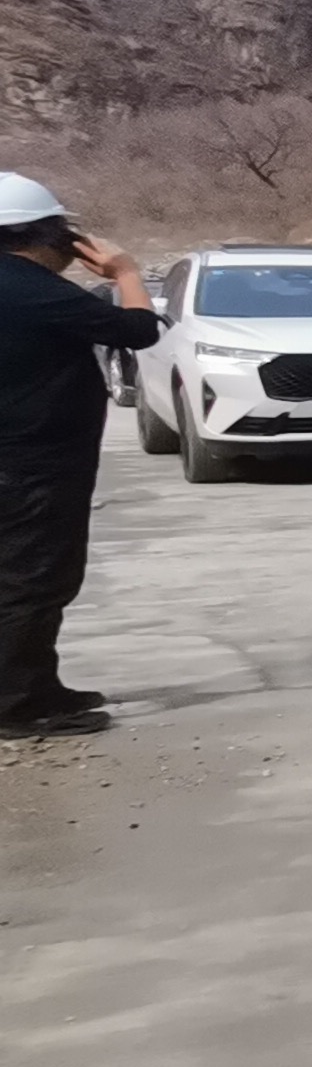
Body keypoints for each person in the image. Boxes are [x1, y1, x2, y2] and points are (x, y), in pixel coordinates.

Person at [0, 174, 161, 740]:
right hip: (33, 462)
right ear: (47, 235)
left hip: (20, 456)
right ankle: (19, 706)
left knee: (20, 578)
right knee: (34, 579)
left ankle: (37, 686)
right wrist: (126, 273)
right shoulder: (31, 288)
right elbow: (138, 330)